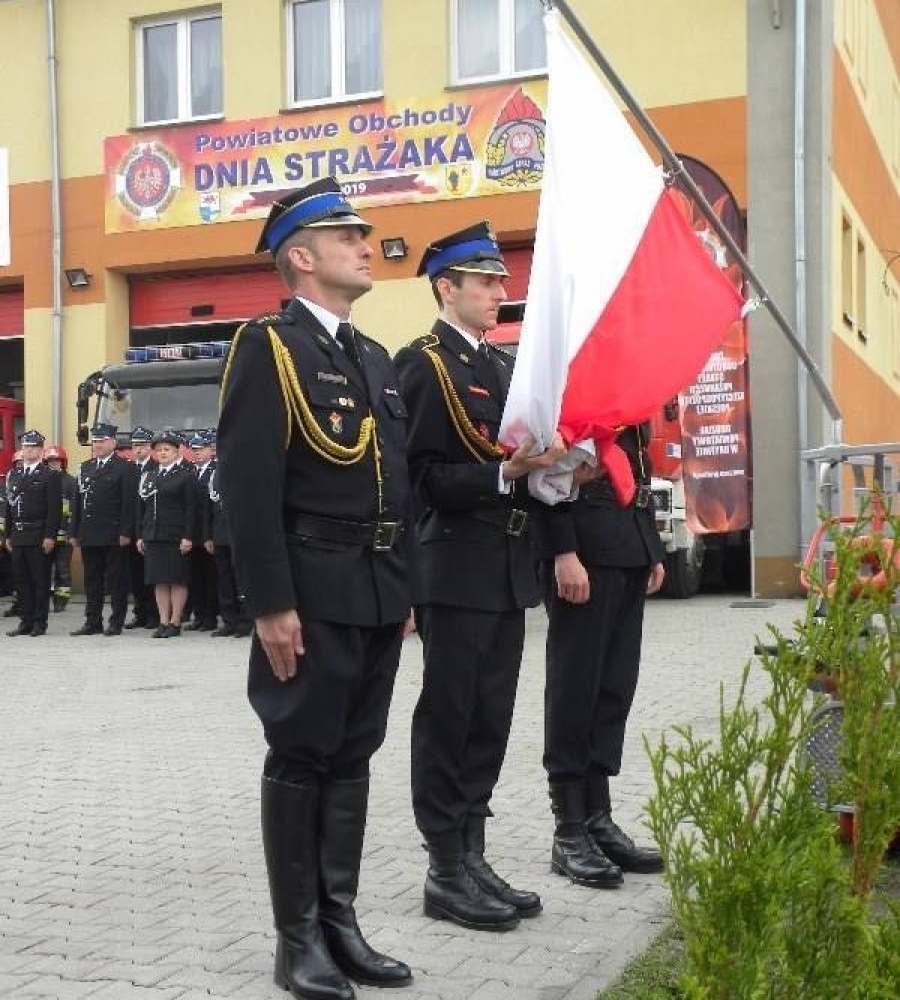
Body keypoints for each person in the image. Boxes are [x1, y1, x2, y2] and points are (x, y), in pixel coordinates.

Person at [217, 177, 413, 999]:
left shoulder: (371, 357)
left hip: (372, 588)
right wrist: (269, 603)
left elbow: (396, 484)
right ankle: (296, 939)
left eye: (361, 234)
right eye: (346, 235)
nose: (364, 244)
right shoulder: (269, 346)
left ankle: (340, 920)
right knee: (301, 753)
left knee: (355, 754)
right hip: (309, 586)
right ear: (301, 256)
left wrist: (401, 594)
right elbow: (249, 483)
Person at [394, 223, 566, 932]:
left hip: (505, 569)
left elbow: (519, 459)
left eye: (501, 281)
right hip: (454, 565)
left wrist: (557, 469)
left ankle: (473, 853)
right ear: (448, 287)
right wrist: (504, 472)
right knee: (451, 715)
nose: (501, 292)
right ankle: (443, 867)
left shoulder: (500, 369)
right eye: (487, 281)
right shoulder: (422, 364)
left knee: (490, 719)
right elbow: (420, 478)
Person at [535, 423, 666, 887]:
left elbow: (633, 459)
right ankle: (569, 828)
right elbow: (549, 467)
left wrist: (648, 544)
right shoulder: (572, 363)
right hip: (585, 549)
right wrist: (562, 550)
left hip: (626, 544)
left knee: (613, 690)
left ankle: (597, 817)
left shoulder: (625, 372)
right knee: (576, 687)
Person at [69, 423, 135, 637]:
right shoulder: (85, 467)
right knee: (92, 581)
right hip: (89, 533)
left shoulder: (125, 468)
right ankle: (92, 621)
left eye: (102, 441)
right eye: (95, 441)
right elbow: (77, 502)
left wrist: (126, 531)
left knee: (116, 581)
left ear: (113, 443)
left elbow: (128, 503)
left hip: (113, 533)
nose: (97, 445)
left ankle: (116, 622)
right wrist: (74, 532)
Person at [136, 429, 197, 638]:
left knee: (177, 579)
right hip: (153, 535)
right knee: (159, 580)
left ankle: (175, 621)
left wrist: (188, 536)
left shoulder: (185, 476)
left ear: (177, 452)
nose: (162, 453)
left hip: (175, 536)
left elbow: (191, 509)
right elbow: (143, 508)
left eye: (167, 449)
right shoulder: (150, 476)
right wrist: (141, 535)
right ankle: (163, 621)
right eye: (159, 450)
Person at [4, 430, 61, 637]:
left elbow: (54, 510)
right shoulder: (15, 475)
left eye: (34, 447)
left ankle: (39, 622)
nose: (30, 450)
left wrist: (50, 536)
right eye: (27, 447)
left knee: (40, 581)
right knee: (21, 581)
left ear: (41, 451)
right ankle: (25, 621)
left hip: (38, 534)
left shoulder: (49, 475)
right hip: (18, 535)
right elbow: (10, 507)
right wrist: (7, 535)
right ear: (22, 450)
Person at [203, 461, 251, 638]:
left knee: (242, 581)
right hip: (220, 534)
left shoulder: (245, 471)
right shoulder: (215, 473)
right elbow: (209, 508)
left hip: (241, 534)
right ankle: (229, 621)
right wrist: (208, 536)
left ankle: (245, 622)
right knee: (224, 581)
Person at [125, 426, 159, 629]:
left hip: (150, 528)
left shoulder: (156, 467)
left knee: (152, 575)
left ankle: (154, 615)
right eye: (135, 446)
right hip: (131, 529)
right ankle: (139, 613)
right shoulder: (128, 469)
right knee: (135, 575)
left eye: (142, 446)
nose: (138, 450)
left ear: (150, 447)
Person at [185, 431, 219, 631]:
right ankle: (198, 615)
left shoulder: (214, 471)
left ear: (211, 450)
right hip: (192, 533)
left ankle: (210, 617)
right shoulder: (191, 473)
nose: (197, 453)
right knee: (195, 577)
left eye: (201, 449)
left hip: (209, 533)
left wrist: (209, 535)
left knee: (210, 577)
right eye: (194, 450)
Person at [43, 445, 77, 612]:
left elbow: (74, 511)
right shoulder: (43, 481)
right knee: (44, 568)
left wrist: (72, 532)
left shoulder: (71, 482)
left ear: (63, 462)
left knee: (63, 570)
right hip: (46, 535)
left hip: (65, 535)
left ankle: (61, 601)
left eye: (56, 460)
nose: (53, 464)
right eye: (50, 461)